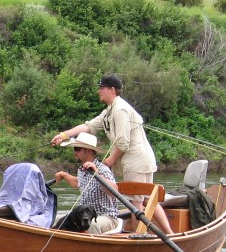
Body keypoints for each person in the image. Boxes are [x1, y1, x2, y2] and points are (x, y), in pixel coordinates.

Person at [50, 74, 173, 234]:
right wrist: (64, 135)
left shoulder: (120, 109)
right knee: (148, 200)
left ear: (112, 90)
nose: (98, 91)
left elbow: (123, 142)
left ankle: (138, 238)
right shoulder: (108, 111)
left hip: (136, 160)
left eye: (101, 88)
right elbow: (88, 126)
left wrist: (108, 161)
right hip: (138, 159)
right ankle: (169, 234)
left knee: (136, 201)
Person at [52, 132, 123, 234]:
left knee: (92, 225)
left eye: (77, 149)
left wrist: (97, 174)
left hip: (106, 217)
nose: (74, 152)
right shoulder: (81, 170)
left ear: (88, 151)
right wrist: (65, 175)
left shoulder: (103, 170)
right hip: (83, 216)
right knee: (53, 218)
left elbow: (114, 192)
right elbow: (77, 182)